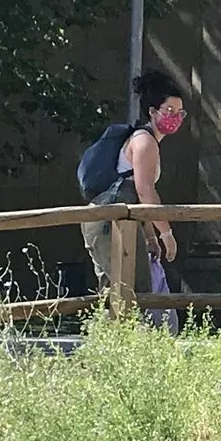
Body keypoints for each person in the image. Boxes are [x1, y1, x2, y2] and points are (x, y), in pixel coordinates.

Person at [80, 70, 185, 300]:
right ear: (152, 111)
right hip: (109, 223)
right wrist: (166, 233)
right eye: (169, 110)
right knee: (135, 290)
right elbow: (145, 192)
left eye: (180, 112)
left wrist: (150, 237)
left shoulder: (145, 140)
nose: (176, 117)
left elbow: (137, 199)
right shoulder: (144, 141)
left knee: (116, 293)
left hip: (108, 220)